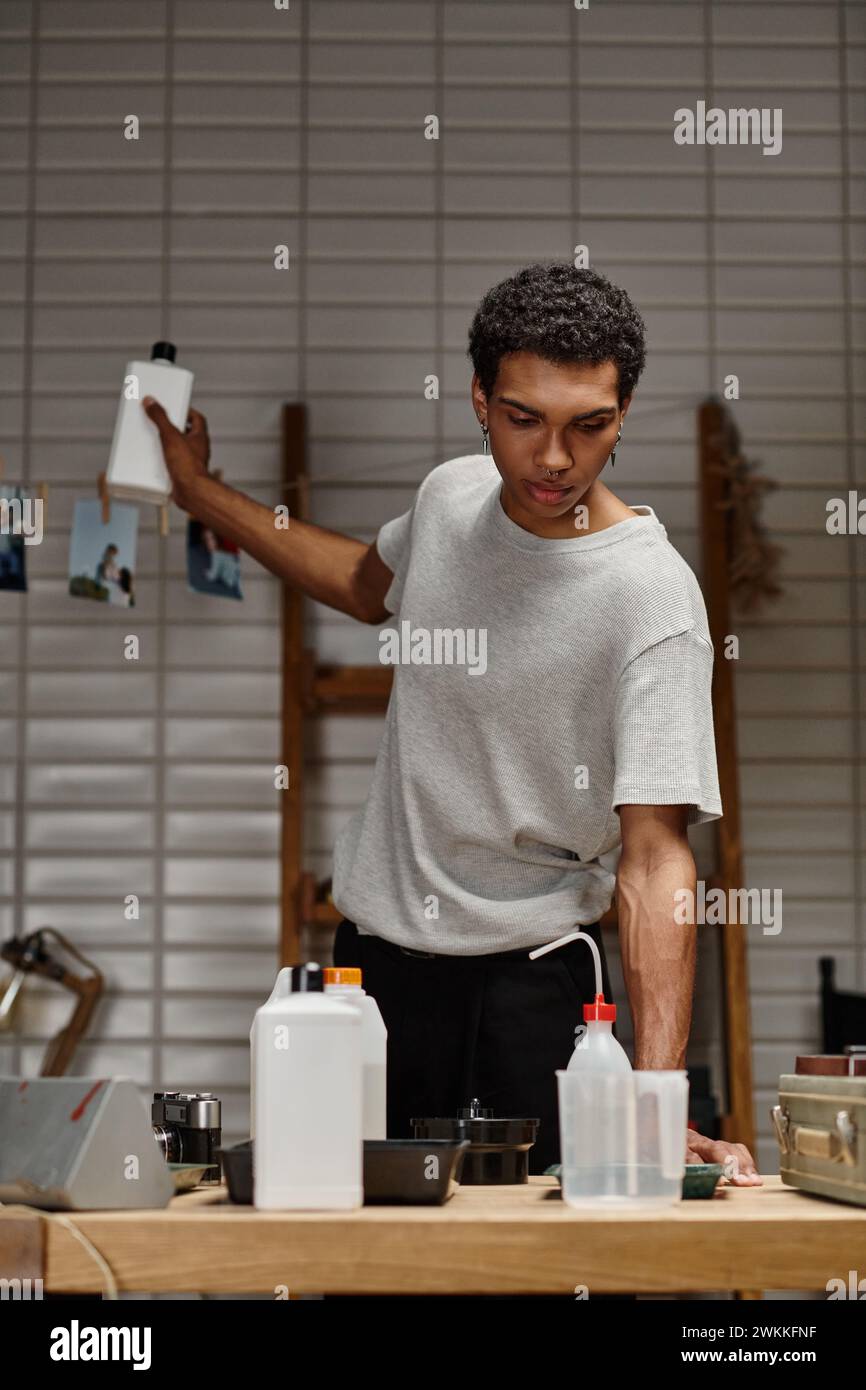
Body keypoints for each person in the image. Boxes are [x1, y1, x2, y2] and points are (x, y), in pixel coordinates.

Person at [141, 262, 761, 1188]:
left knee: (546, 1274)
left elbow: (656, 857)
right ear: (479, 397)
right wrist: (202, 495)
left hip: (535, 989)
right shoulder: (449, 499)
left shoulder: (654, 599)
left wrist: (654, 1100)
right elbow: (362, 583)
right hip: (372, 981)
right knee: (365, 1265)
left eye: (588, 425)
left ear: (623, 413)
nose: (555, 458)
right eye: (524, 419)